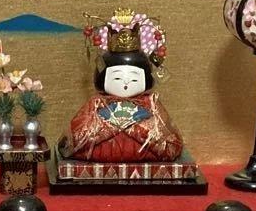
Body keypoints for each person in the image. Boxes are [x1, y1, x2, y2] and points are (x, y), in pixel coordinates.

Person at [58, 29, 183, 162]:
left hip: (145, 151)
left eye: (134, 79)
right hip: (102, 149)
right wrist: (103, 126)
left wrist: (139, 129)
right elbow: (75, 137)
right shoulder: (97, 103)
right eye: (117, 78)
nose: (126, 83)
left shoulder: (150, 103)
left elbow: (169, 142)